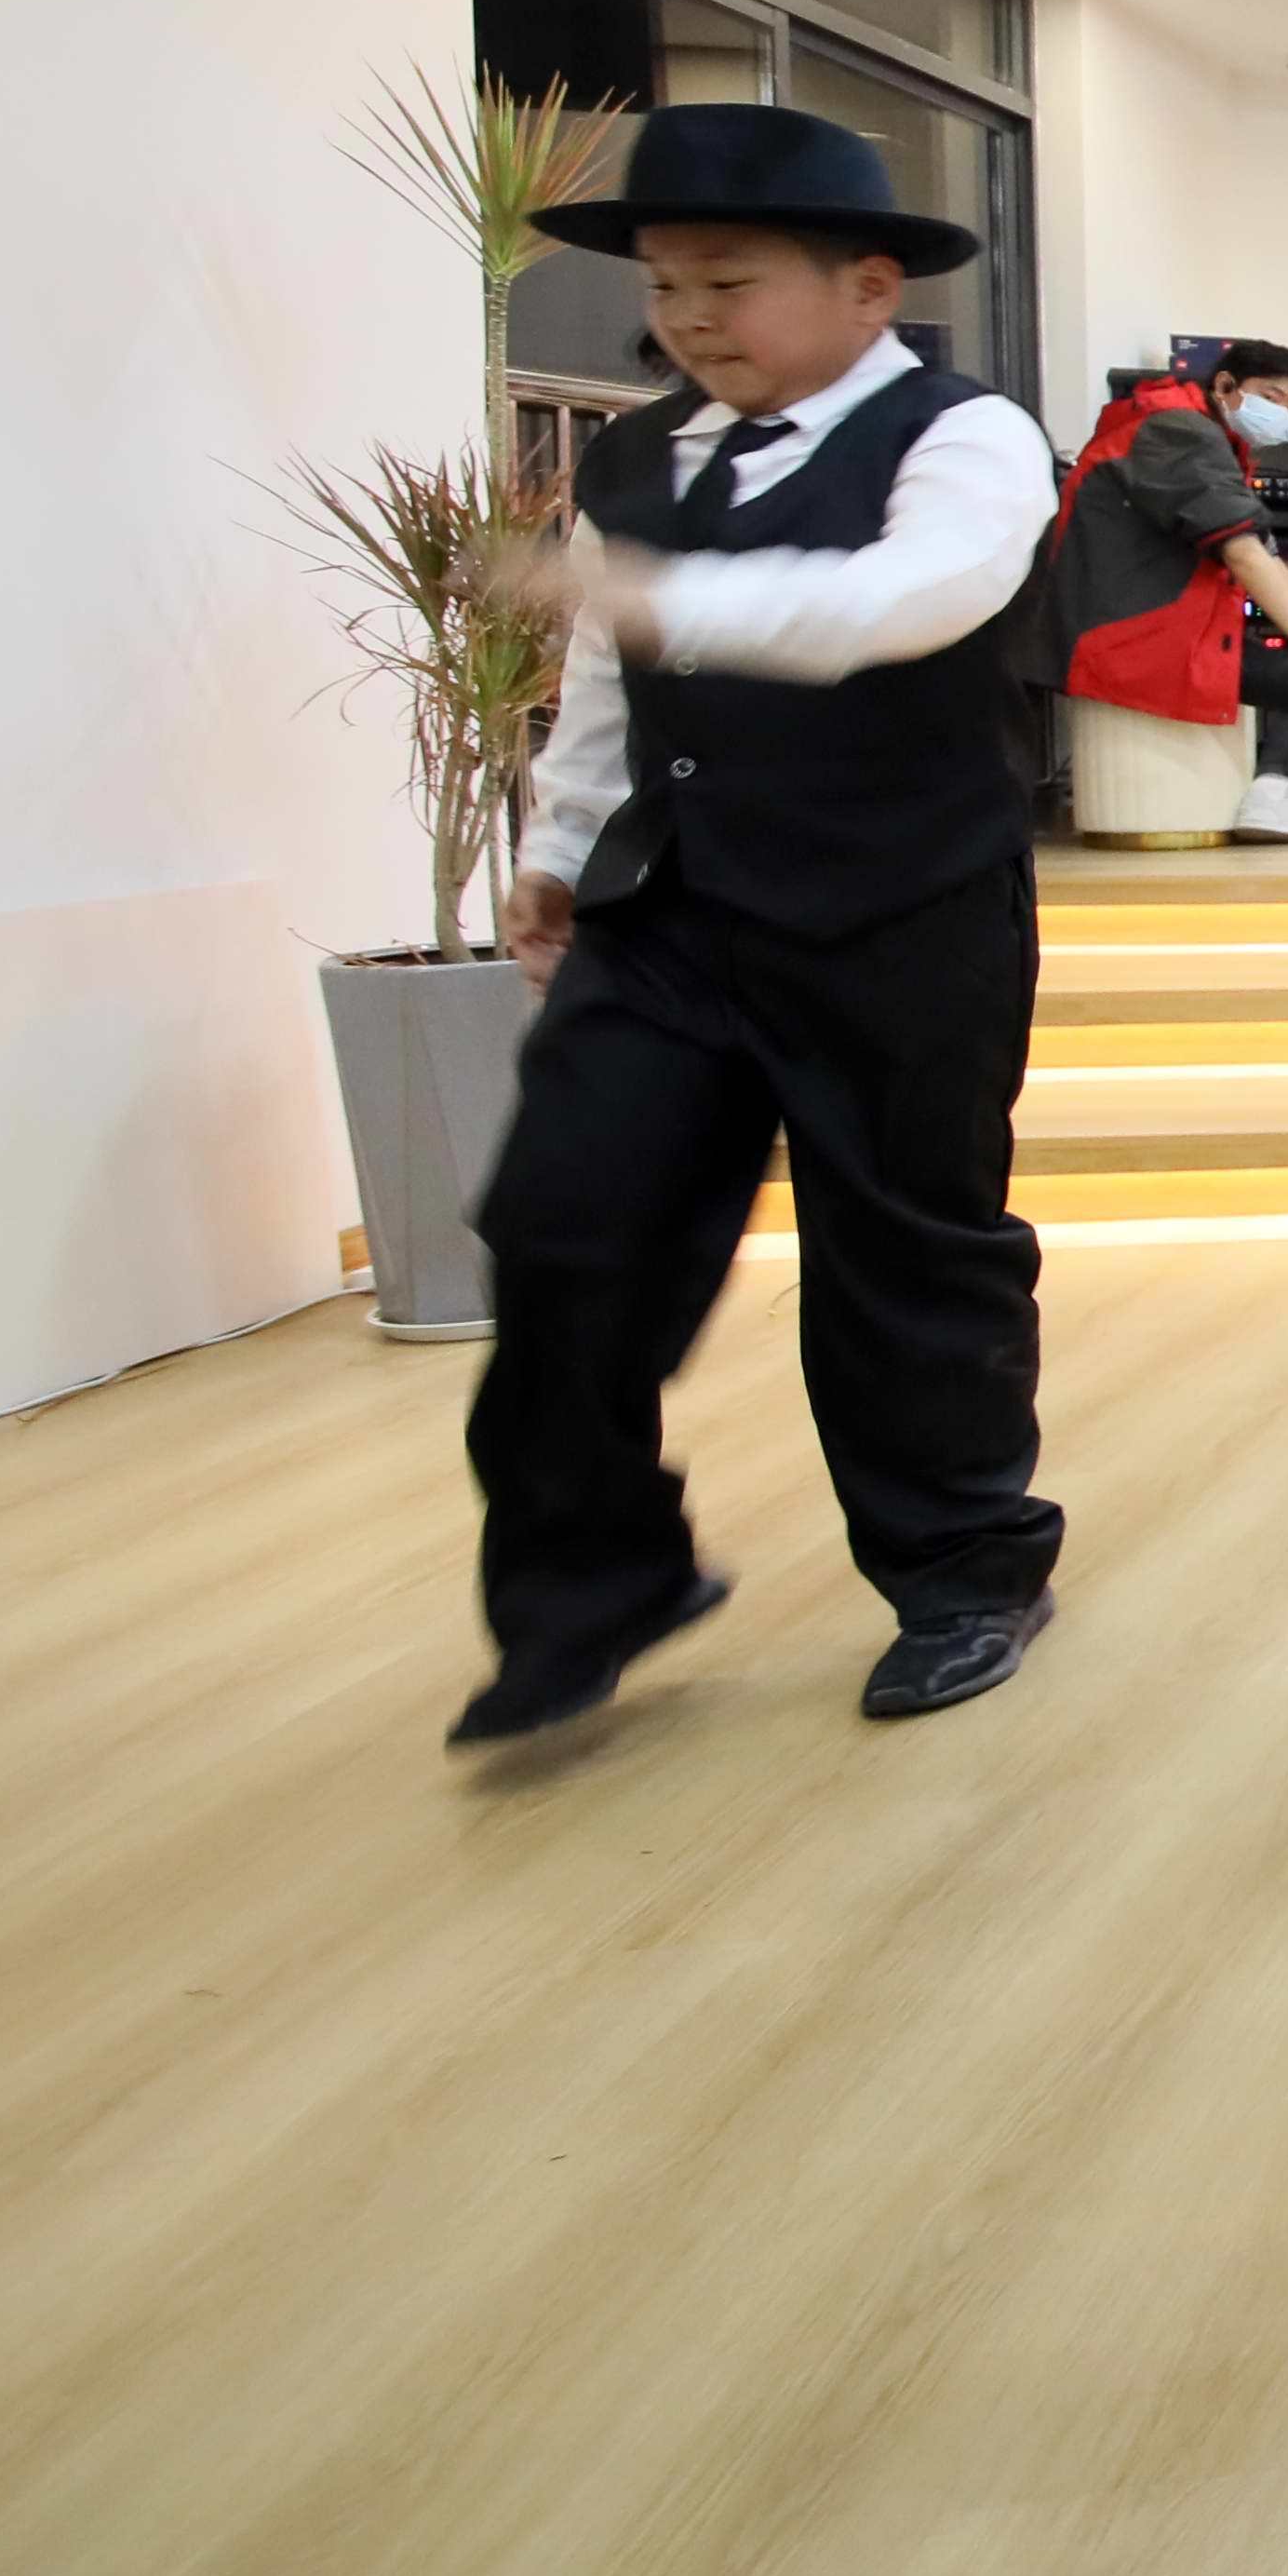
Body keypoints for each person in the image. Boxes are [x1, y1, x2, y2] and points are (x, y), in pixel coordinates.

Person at [449, 105, 1073, 1744]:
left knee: (904, 1256)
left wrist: (669, 601)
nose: (689, 319)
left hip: (903, 916)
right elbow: (604, 676)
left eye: (726, 280)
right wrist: (561, 843)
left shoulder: (967, 437)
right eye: (665, 287)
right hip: (669, 915)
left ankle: (967, 1571)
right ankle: (595, 1582)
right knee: (562, 1228)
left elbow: (904, 601)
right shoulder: (639, 455)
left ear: (871, 288)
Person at [1056, 336, 1288, 840]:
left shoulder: (1192, 431)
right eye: (1272, 398)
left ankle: (1276, 788)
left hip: (1162, 624)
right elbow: (1245, 551)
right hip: (1136, 635)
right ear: (1225, 385)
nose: (1283, 416)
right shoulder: (1177, 430)